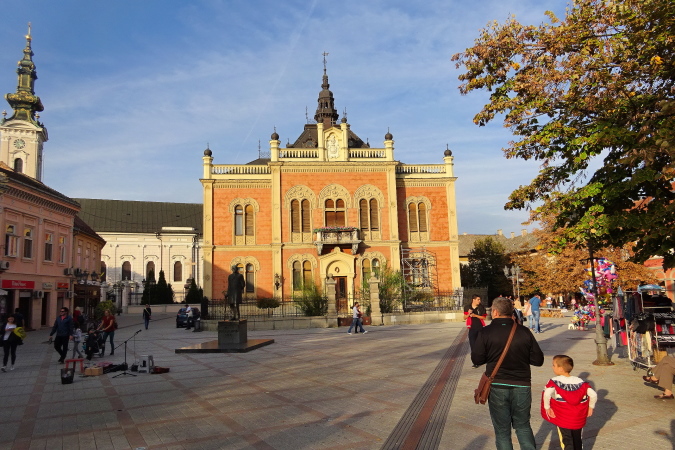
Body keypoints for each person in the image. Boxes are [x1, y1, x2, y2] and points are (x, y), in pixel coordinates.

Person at [471, 297, 545, 450]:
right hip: (522, 384)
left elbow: (477, 359)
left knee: (502, 431)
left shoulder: (486, 332)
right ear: (511, 312)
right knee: (523, 426)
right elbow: (538, 360)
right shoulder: (524, 331)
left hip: (497, 385)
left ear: (495, 312)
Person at [542, 355, 597, 449]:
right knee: (577, 438)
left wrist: (547, 407)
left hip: (563, 417)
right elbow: (593, 395)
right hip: (577, 417)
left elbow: (547, 394)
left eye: (554, 365)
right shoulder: (580, 381)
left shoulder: (554, 381)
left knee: (566, 439)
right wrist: (591, 407)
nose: (552, 367)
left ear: (560, 369)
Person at [465, 295, 487, 368]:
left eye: (480, 299)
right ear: (473, 300)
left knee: (481, 345)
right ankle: (475, 362)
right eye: (478, 299)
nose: (479, 301)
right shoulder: (467, 307)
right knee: (473, 346)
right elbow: (464, 317)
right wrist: (468, 314)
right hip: (472, 329)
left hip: (480, 328)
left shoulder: (481, 307)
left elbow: (484, 317)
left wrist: (475, 315)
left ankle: (483, 359)